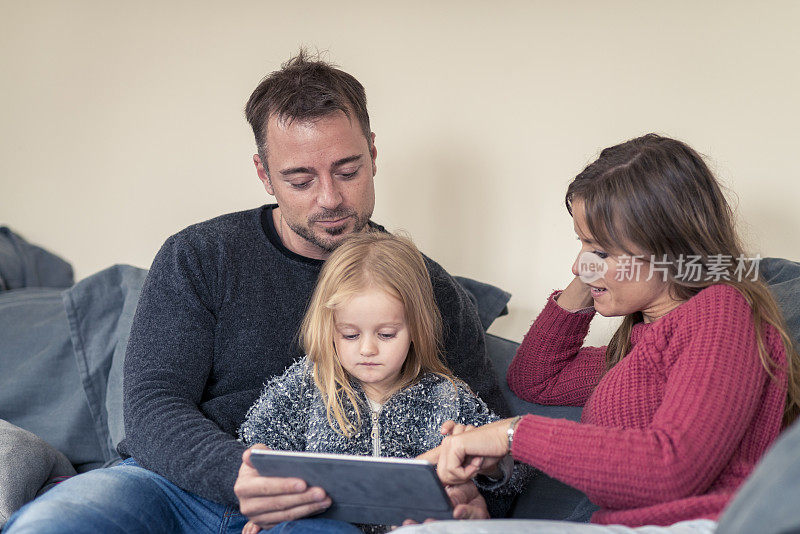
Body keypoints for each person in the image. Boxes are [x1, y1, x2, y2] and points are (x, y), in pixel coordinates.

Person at [4, 51, 506, 534]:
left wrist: (475, 496)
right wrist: (235, 474)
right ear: (265, 175)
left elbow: (486, 436)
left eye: (348, 171)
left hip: (322, 512)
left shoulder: (427, 288)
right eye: (300, 179)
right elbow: (152, 406)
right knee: (54, 523)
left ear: (373, 155)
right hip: (172, 488)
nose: (330, 198)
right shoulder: (199, 256)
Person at [399, 134, 800, 534]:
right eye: (582, 243)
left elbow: (671, 467)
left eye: (600, 250)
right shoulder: (639, 343)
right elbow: (536, 379)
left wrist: (509, 435)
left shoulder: (721, 312)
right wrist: (594, 272)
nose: (579, 264)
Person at [236, 232, 527, 533]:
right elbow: (258, 447)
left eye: (386, 334)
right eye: (350, 334)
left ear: (416, 328)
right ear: (329, 328)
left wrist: (487, 463)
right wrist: (266, 502)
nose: (367, 349)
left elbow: (514, 472)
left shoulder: (446, 396)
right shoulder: (307, 384)